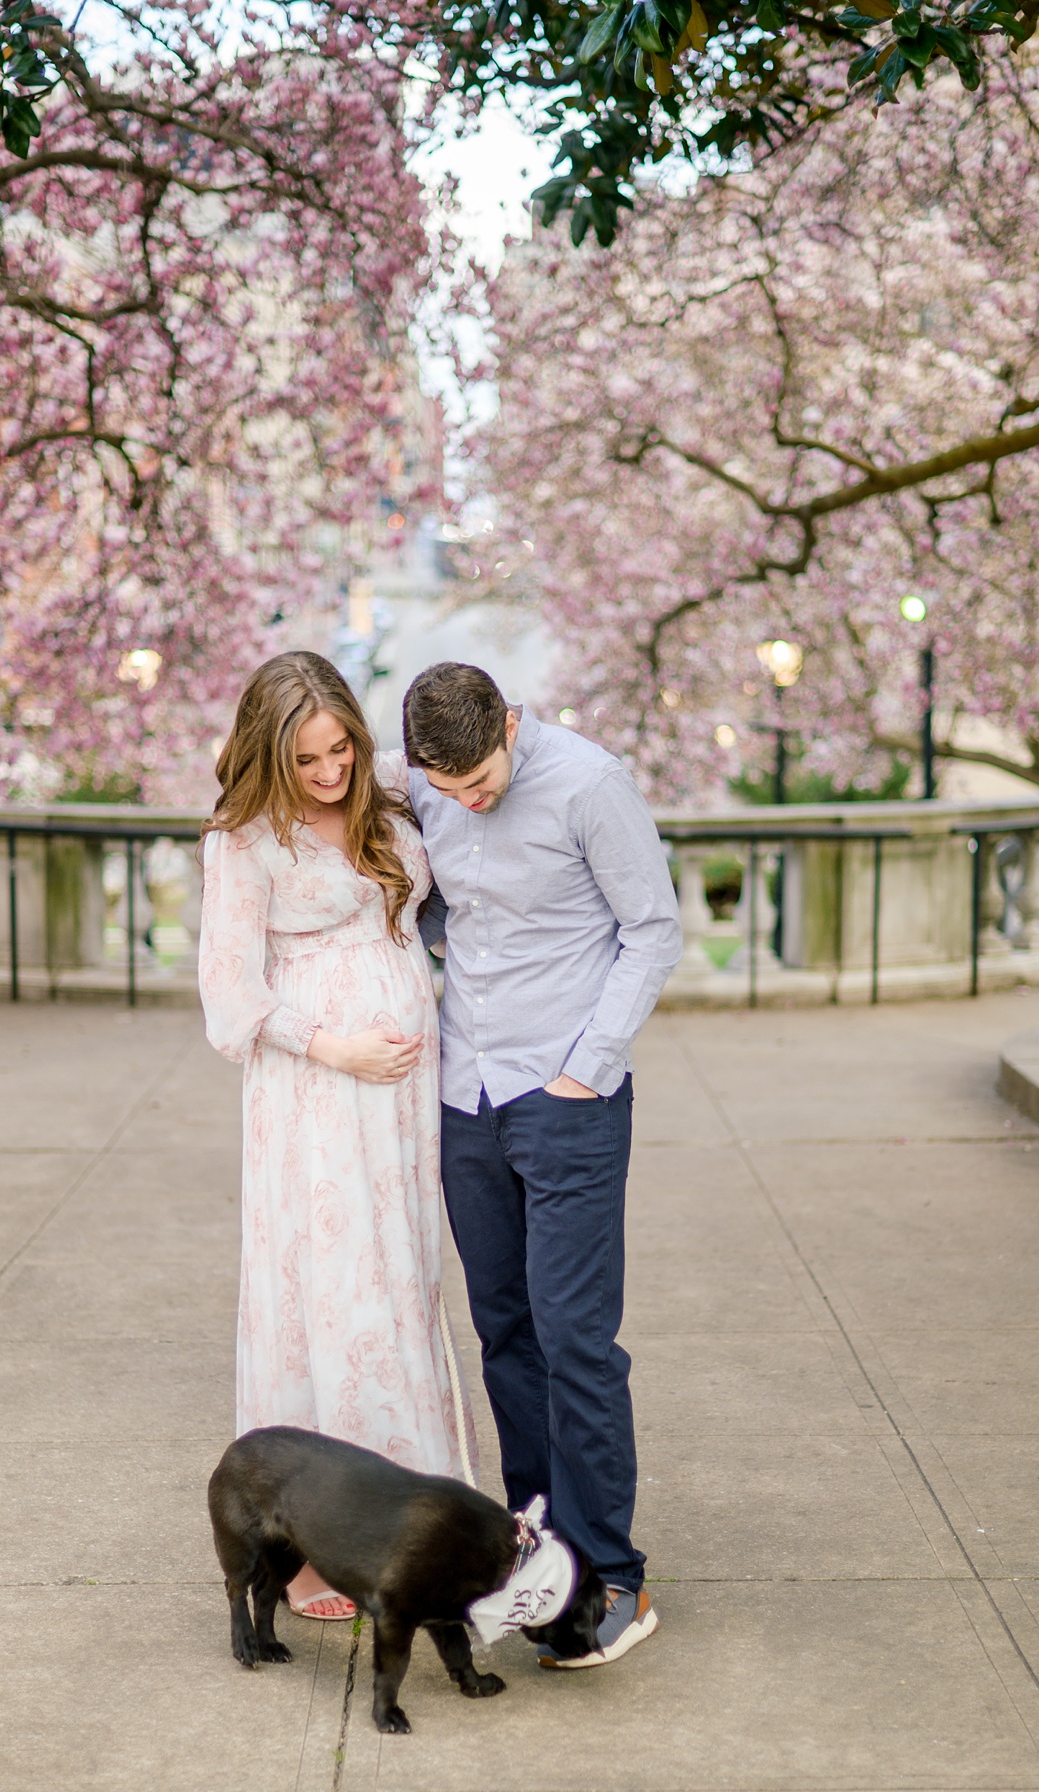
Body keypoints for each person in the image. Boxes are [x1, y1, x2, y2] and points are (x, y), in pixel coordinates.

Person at [400, 662, 681, 1668]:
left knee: (575, 1339)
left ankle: (615, 1573)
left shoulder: (591, 783)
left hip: (566, 1098)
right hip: (465, 1093)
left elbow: (654, 930)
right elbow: (436, 901)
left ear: (512, 723)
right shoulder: (423, 778)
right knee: (505, 1331)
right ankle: (539, 1552)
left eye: (482, 780)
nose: (469, 799)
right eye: (452, 787)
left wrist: (585, 1072)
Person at [197, 651, 477, 1623]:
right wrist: (337, 1045)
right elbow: (230, 1000)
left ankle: (411, 1515)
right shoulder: (243, 840)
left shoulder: (392, 796)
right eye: (308, 761)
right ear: (273, 758)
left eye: (341, 751)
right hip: (315, 1094)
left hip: (401, 1101)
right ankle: (311, 1539)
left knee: (399, 1281)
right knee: (327, 1290)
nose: (329, 774)